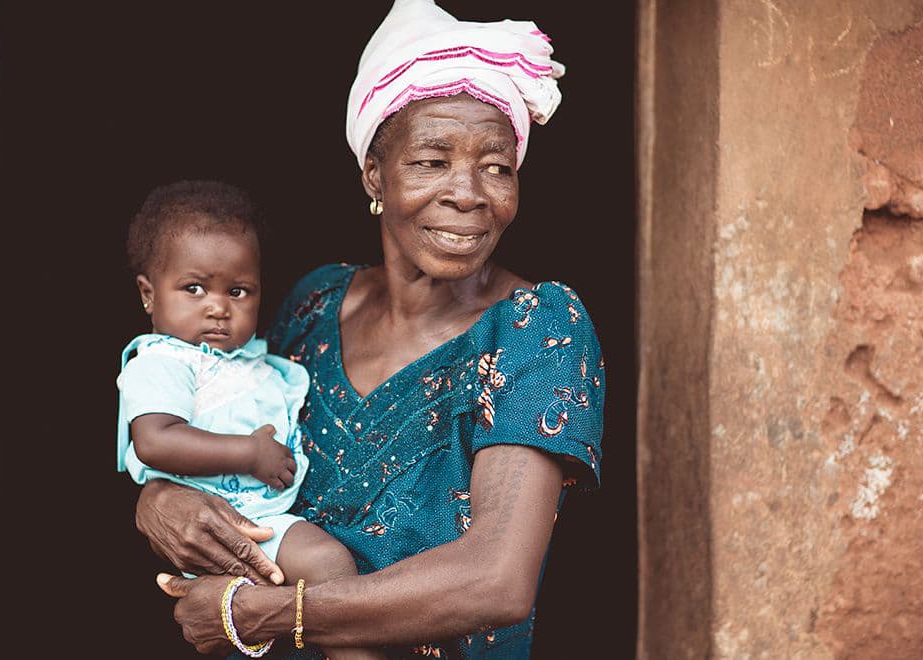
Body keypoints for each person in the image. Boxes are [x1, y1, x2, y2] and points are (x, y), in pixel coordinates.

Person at [137, 2, 604, 657]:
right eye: (432, 161)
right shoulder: (315, 305)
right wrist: (157, 498)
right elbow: (220, 426)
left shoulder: (536, 327)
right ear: (374, 176)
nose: (469, 193)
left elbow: (495, 581)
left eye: (497, 167)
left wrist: (270, 615)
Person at [116, 180, 384, 660]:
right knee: (329, 564)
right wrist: (250, 452)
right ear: (148, 294)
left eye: (238, 291)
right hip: (223, 523)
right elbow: (154, 441)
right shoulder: (163, 363)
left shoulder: (252, 361)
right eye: (194, 288)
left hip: (261, 517)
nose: (218, 307)